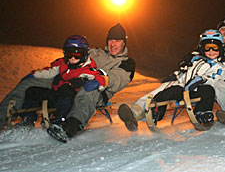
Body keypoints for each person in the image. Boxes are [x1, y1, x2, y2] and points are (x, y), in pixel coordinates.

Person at [0, 23, 135, 141]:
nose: (113, 44)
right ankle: (3, 115)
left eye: (118, 40)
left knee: (88, 90)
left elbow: (118, 79)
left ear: (124, 42)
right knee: (30, 83)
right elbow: (72, 57)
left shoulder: (126, 63)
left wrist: (102, 79)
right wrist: (45, 73)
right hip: (69, 80)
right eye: (111, 40)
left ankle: (70, 126)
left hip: (98, 88)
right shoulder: (95, 52)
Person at [118, 29, 225, 131]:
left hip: (200, 88)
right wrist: (175, 76)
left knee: (218, 85)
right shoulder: (194, 60)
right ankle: (136, 112)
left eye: (214, 47)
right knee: (164, 88)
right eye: (207, 47)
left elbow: (217, 76)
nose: (211, 51)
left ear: (220, 49)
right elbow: (184, 72)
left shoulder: (219, 65)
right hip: (183, 86)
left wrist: (201, 79)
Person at [15, 35, 108, 127]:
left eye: (77, 55)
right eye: (69, 54)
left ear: (84, 54)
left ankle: (60, 119)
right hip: (55, 96)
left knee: (66, 90)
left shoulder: (87, 70)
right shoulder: (62, 64)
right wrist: (33, 75)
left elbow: (100, 78)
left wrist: (97, 83)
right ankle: (28, 118)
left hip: (70, 101)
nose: (72, 58)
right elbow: (48, 72)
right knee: (32, 91)